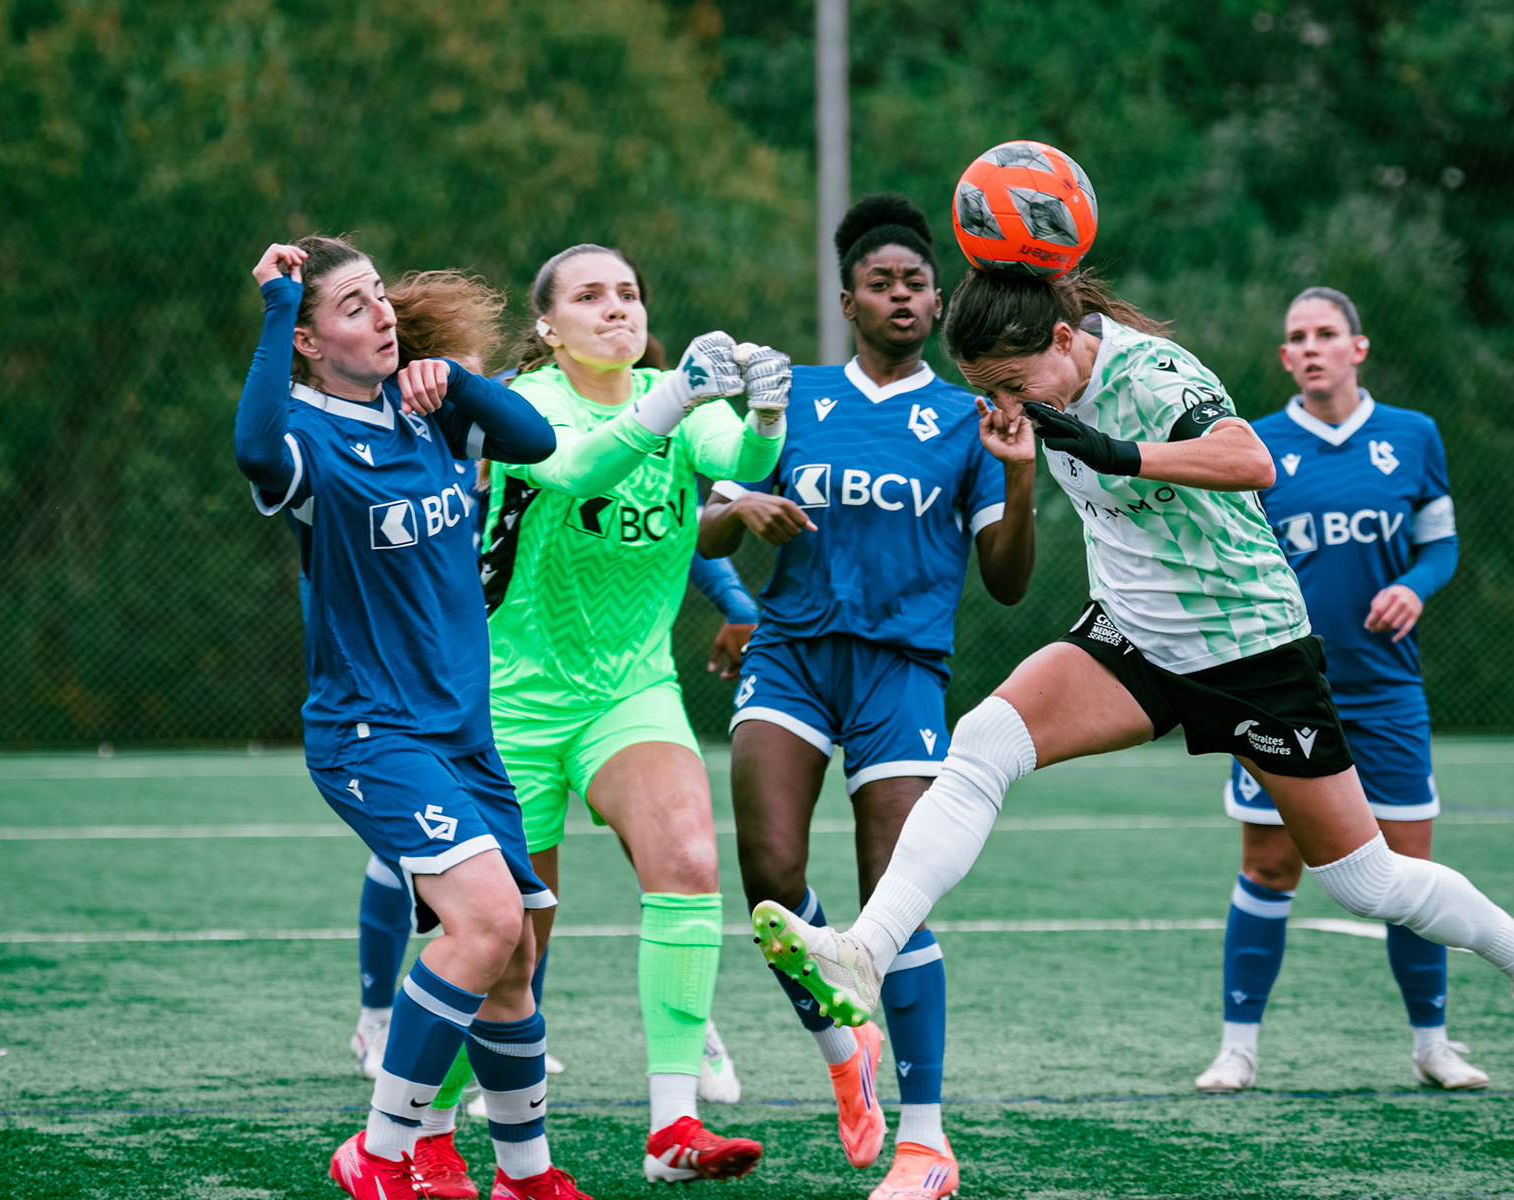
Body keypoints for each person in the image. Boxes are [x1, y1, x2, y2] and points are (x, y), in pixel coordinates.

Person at [750, 264, 1514, 1104]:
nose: (1004, 406)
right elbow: (1045, 445)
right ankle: (866, 950)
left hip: (1247, 646)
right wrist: (1020, 457)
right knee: (985, 740)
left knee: (1365, 880)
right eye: (986, 392)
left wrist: (1120, 452)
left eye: (1010, 385)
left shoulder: (1154, 372)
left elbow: (1251, 458)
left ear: (1067, 341)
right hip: (1135, 636)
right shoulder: (1034, 396)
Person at [233, 236, 588, 1200]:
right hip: (371, 731)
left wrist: (459, 386)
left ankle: (526, 1175)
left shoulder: (421, 411)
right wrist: (277, 305)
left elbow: (536, 440)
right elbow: (253, 448)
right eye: (353, 307)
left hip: (463, 739)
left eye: (380, 296)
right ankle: (382, 1153)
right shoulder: (304, 437)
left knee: (511, 958)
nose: (383, 313)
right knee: (484, 921)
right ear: (308, 342)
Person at [696, 194, 1035, 1200]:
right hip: (792, 653)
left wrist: (1019, 480)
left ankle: (927, 1144)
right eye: (880, 281)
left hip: (901, 670)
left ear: (938, 301)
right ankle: (847, 1048)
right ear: (848, 299)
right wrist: (736, 501)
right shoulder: (793, 396)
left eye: (916, 282)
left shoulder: (967, 418)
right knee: (769, 881)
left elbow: (1008, 579)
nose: (901, 294)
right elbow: (704, 532)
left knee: (899, 890)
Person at [484, 243, 787, 1185]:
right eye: (588, 295)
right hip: (510, 702)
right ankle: (433, 1126)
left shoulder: (677, 398)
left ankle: (673, 1128)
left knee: (692, 863)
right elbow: (573, 472)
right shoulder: (528, 404)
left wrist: (767, 410)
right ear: (547, 327)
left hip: (631, 691)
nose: (615, 308)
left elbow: (738, 459)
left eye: (628, 293)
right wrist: (674, 400)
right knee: (503, 943)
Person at [1195, 287, 1476, 1092]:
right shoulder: (1254, 446)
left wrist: (1417, 587)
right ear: (1285, 359)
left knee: (1409, 872)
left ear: (1358, 348)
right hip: (1278, 694)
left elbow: (1440, 546)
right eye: (1297, 338)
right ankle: (1237, 1049)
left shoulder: (1412, 436)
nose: (1311, 347)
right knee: (1270, 867)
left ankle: (1434, 1045)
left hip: (1387, 692)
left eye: (1326, 333)